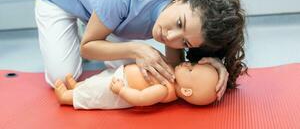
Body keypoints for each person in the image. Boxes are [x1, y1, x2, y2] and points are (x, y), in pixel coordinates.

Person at [35, 0, 247, 101]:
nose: (170, 36)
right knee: (61, 78)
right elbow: (87, 48)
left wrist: (212, 63)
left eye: (185, 43)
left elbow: (175, 69)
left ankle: (97, 24)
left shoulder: (184, 18)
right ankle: (92, 26)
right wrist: (136, 49)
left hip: (110, 13)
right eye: (180, 23)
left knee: (143, 76)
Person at [54, 62, 219, 109]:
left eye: (189, 70)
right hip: (120, 75)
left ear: (186, 91)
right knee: (96, 81)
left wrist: (121, 90)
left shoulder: (164, 89)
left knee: (95, 94)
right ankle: (78, 86)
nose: (186, 64)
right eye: (192, 64)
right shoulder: (172, 76)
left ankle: (67, 97)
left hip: (120, 88)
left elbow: (140, 98)